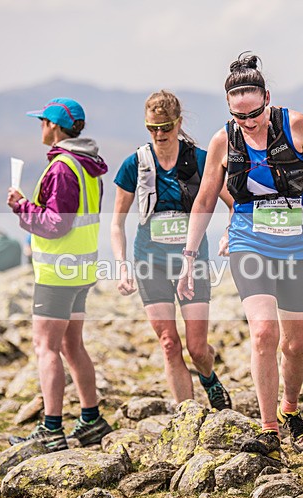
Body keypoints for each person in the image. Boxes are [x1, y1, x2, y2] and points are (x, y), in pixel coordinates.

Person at [177, 54, 303, 460]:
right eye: (240, 116)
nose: (249, 122)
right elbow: (204, 199)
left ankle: (291, 411)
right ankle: (269, 427)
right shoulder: (224, 140)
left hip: (298, 242)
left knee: (296, 343)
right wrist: (189, 254)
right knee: (263, 333)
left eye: (255, 113)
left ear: (267, 99)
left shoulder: (296, 125)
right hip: (248, 241)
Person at [110, 90, 232, 410]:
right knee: (168, 344)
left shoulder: (201, 160)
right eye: (153, 128)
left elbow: (234, 203)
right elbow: (116, 223)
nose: (160, 134)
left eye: (166, 127)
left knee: (197, 347)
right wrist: (122, 266)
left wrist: (229, 234)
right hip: (150, 261)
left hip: (193, 262)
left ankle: (208, 378)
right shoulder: (135, 164)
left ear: (179, 123)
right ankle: (187, 419)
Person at [6, 98, 113, 450]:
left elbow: (55, 224)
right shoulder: (86, 165)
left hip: (56, 273)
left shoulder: (63, 167)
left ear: (53, 126)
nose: (40, 127)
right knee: (71, 344)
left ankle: (52, 428)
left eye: (42, 122)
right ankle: (91, 418)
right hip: (80, 269)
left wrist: (22, 206)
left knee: (45, 347)